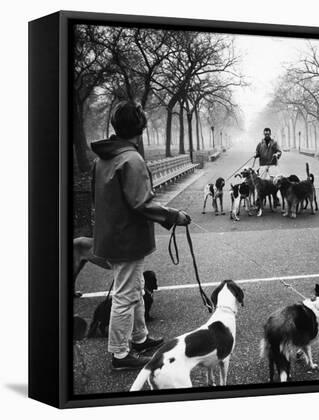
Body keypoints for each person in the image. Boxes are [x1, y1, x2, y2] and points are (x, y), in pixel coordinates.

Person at [91, 101, 191, 371]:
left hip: (113, 235)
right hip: (127, 239)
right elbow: (142, 203)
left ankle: (139, 337)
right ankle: (120, 354)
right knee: (125, 295)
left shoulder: (104, 157)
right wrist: (173, 216)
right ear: (140, 129)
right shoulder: (131, 159)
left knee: (133, 289)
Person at [254, 127, 282, 206]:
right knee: (261, 183)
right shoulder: (260, 144)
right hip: (263, 165)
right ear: (264, 134)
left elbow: (279, 151)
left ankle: (276, 199)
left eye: (268, 133)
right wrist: (256, 155)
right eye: (265, 133)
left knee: (275, 182)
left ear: (270, 134)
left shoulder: (274, 143)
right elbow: (257, 152)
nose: (267, 135)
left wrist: (277, 154)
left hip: (272, 165)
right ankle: (259, 199)